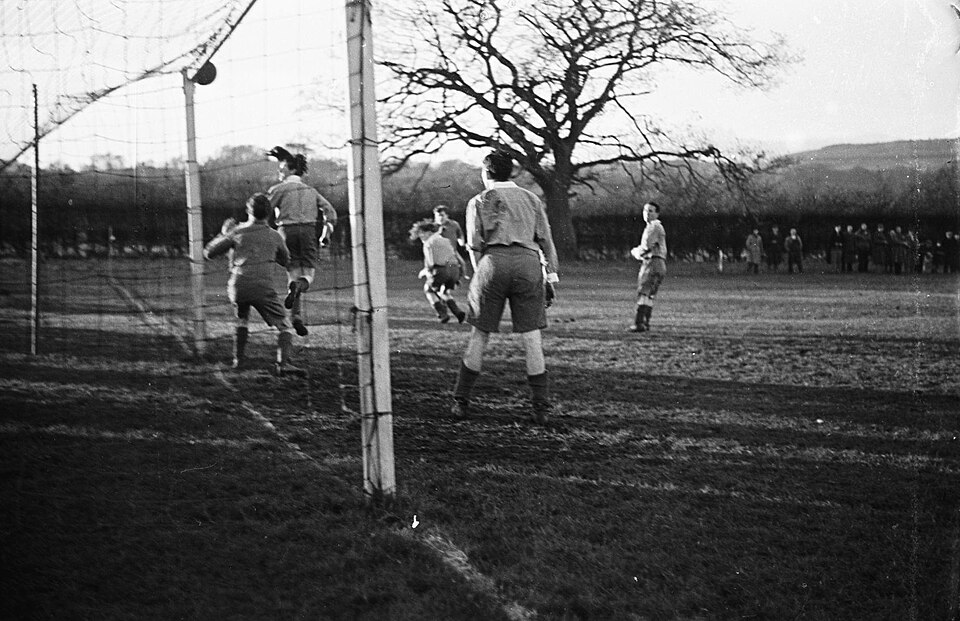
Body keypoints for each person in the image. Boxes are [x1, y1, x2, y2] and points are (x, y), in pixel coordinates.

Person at [451, 150, 560, 424]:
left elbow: (474, 246)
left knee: (480, 335)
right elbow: (546, 242)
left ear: (486, 172)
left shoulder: (478, 201)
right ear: (509, 172)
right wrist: (551, 277)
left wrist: (482, 276)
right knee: (532, 339)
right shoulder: (531, 198)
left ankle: (461, 401)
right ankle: (540, 407)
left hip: (492, 263)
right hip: (527, 263)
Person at [203, 193, 303, 376]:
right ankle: (283, 364)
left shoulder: (237, 232)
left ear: (248, 211)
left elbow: (209, 253)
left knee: (242, 318)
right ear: (269, 213)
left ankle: (238, 360)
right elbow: (286, 260)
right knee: (285, 325)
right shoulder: (274, 236)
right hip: (262, 288)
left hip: (237, 286)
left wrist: (225, 234)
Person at [265, 146, 338, 337]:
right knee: (307, 276)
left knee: (293, 274)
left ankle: (296, 316)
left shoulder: (278, 189)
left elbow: (264, 212)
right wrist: (326, 233)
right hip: (307, 231)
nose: (279, 173)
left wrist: (269, 230)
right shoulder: (311, 191)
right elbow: (330, 212)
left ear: (290, 169)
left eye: (281, 169)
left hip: (286, 232)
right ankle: (297, 305)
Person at [410, 219, 466, 323]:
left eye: (422, 234)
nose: (421, 237)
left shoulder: (428, 244)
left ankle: (442, 314)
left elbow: (431, 263)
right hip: (454, 270)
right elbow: (459, 261)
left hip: (441, 270)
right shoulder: (446, 241)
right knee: (443, 291)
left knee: (428, 289)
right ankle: (458, 313)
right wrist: (459, 276)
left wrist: (426, 271)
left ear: (429, 233)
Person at [629, 202, 668, 331]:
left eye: (651, 211)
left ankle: (639, 322)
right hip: (661, 264)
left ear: (657, 213)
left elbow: (646, 247)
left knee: (643, 292)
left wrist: (635, 252)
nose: (647, 213)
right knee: (650, 294)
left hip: (652, 262)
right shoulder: (657, 227)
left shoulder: (653, 227)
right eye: (645, 210)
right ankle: (646, 322)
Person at [433, 205, 471, 279]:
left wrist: (461, 242)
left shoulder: (454, 224)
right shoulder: (433, 226)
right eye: (437, 216)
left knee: (462, 263)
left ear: (447, 215)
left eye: (442, 215)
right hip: (438, 252)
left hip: (452, 250)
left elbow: (460, 235)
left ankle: (462, 276)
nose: (440, 218)